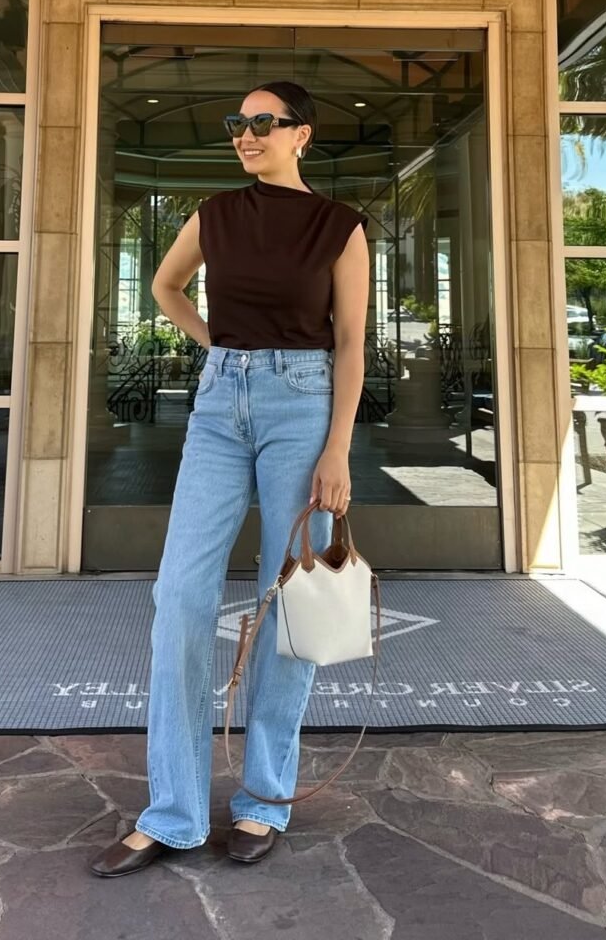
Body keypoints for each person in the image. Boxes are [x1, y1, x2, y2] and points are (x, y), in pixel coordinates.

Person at [89, 80, 369, 877]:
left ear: (300, 135)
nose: (245, 136)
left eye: (261, 124)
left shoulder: (340, 227)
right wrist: (220, 347)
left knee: (289, 597)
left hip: (305, 405)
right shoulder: (215, 213)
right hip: (220, 404)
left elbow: (350, 344)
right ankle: (171, 814)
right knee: (180, 594)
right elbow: (164, 287)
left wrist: (338, 448)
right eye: (237, 125)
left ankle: (263, 801)